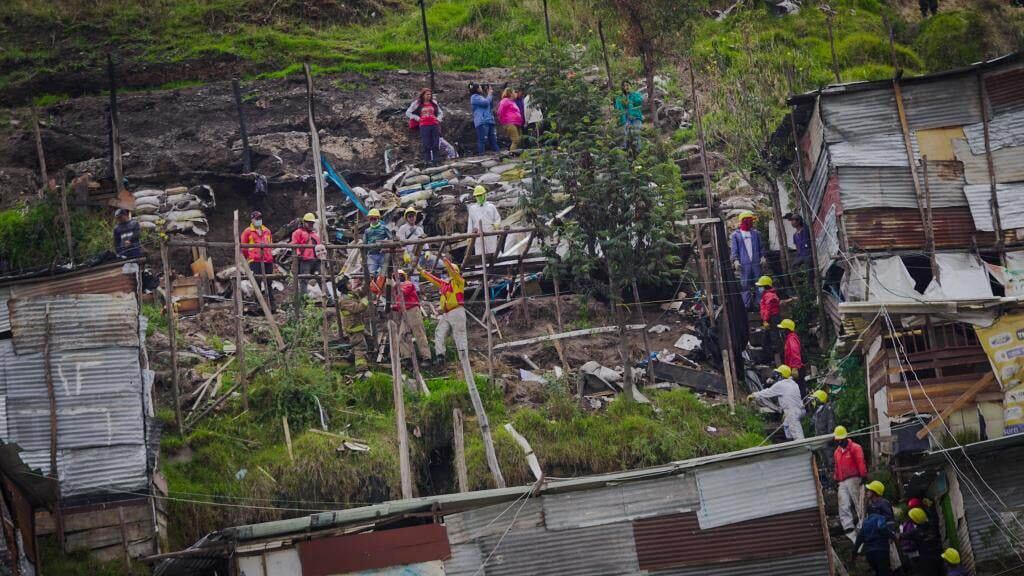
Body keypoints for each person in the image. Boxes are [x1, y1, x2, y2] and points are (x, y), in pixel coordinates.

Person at [418, 257, 466, 365]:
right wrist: (421, 270)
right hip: (447, 313)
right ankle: (440, 356)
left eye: (448, 272)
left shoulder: (459, 281)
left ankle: (463, 359)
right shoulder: (445, 284)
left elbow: (454, 273)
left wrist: (445, 261)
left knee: (459, 335)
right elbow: (433, 279)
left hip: (457, 311)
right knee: (439, 332)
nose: (447, 274)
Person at [747, 365, 805, 441]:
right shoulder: (793, 383)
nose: (776, 376)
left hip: (792, 411)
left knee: (797, 433)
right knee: (787, 426)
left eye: (778, 374)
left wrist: (754, 395)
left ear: (782, 375)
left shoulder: (781, 385)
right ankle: (790, 442)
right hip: (799, 409)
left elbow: (768, 392)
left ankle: (803, 446)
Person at [834, 425, 868, 543]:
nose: (840, 442)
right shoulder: (837, 452)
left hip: (854, 478)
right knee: (843, 504)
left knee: (859, 502)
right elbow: (837, 467)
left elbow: (860, 461)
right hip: (842, 481)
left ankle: (863, 525)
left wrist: (863, 475)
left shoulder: (855, 448)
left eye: (841, 439)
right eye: (838, 440)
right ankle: (848, 527)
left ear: (845, 437)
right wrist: (836, 478)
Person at [393, 270, 432, 366]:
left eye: (400, 275)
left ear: (404, 276)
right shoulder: (397, 289)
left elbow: (403, 292)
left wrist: (396, 286)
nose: (398, 278)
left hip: (412, 311)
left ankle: (427, 357)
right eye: (396, 276)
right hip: (405, 313)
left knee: (419, 334)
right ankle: (407, 357)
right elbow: (399, 304)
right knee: (402, 335)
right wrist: (392, 307)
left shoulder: (408, 283)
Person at [240, 210, 275, 311]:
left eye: (260, 218)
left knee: (269, 283)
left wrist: (270, 256)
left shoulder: (267, 231)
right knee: (257, 282)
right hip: (255, 260)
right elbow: (244, 248)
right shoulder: (247, 232)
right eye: (256, 219)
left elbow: (270, 245)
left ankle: (271, 305)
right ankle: (258, 305)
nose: (258, 220)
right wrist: (248, 258)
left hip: (267, 260)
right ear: (252, 220)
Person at [730, 211, 766, 310]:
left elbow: (761, 247)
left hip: (756, 263)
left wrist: (763, 257)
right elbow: (734, 249)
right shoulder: (736, 235)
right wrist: (735, 260)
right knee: (745, 285)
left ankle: (759, 304)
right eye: (750, 220)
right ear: (744, 221)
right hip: (744, 264)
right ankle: (746, 305)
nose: (752, 223)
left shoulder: (756, 234)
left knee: (760, 284)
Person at [853, 502, 896, 576]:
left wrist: (854, 552)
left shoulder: (865, 522)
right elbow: (882, 527)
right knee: (884, 572)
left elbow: (859, 538)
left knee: (878, 572)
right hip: (881, 550)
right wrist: (892, 536)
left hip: (869, 553)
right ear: (877, 510)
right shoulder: (879, 517)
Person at [406, 88, 445, 165]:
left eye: (430, 94)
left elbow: (440, 112)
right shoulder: (417, 103)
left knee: (435, 143)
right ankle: (427, 161)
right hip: (424, 126)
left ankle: (436, 160)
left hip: (434, 125)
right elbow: (408, 112)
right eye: (427, 94)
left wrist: (438, 119)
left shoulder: (434, 103)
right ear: (423, 95)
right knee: (426, 143)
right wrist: (417, 118)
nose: (429, 96)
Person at [336, 276, 369, 367]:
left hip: (357, 325)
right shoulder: (344, 300)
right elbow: (357, 308)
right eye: (348, 283)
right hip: (353, 327)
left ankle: (351, 358)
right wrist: (365, 300)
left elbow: (361, 291)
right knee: (360, 347)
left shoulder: (350, 294)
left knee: (364, 340)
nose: (351, 284)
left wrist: (368, 282)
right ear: (344, 287)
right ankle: (361, 369)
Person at [902, 505, 944, 575]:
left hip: (926, 560)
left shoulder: (915, 532)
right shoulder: (932, 525)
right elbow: (934, 517)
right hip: (939, 555)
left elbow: (901, 536)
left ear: (915, 521)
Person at [291, 213, 322, 299]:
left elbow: (319, 245)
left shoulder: (314, 234)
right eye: (309, 223)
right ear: (304, 222)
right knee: (304, 280)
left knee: (321, 279)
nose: (311, 224)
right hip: (305, 260)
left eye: (312, 223)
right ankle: (304, 300)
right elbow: (294, 244)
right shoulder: (298, 232)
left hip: (316, 260)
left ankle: (328, 299)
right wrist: (298, 254)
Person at [467, 186, 501, 257]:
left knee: (492, 252)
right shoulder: (472, 209)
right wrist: (469, 236)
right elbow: (470, 224)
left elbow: (497, 218)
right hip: (478, 235)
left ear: (484, 195)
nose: (479, 197)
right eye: (477, 196)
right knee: (480, 254)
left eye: (480, 195)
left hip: (490, 233)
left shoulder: (491, 206)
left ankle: (494, 263)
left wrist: (496, 225)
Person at [757, 275, 781, 364]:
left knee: (772, 339)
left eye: (760, 286)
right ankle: (768, 359)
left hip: (772, 319)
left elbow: (768, 309)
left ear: (765, 286)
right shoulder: (767, 295)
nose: (759, 288)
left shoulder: (769, 296)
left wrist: (765, 320)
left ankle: (774, 359)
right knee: (766, 340)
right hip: (770, 319)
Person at [470, 83, 499, 154]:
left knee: (493, 140)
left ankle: (499, 155)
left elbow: (490, 105)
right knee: (482, 140)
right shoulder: (474, 97)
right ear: (477, 89)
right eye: (480, 87)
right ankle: (481, 156)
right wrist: (489, 94)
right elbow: (485, 103)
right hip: (482, 121)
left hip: (489, 120)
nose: (481, 88)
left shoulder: (482, 97)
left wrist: (489, 94)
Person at [363, 208, 392, 278]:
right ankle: (373, 285)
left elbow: (391, 239)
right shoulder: (367, 231)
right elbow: (364, 244)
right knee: (372, 274)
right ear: (369, 219)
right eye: (371, 218)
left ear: (378, 218)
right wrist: (364, 256)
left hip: (382, 254)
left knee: (383, 274)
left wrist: (386, 246)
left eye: (374, 218)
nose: (373, 220)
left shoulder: (384, 228)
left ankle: (383, 284)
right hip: (371, 255)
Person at [614, 80, 643, 147]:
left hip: (636, 117)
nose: (626, 87)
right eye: (624, 86)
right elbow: (618, 108)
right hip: (626, 119)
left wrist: (631, 96)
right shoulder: (620, 97)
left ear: (630, 86)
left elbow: (639, 102)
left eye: (627, 85)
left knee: (636, 134)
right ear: (622, 88)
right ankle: (627, 150)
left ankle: (638, 151)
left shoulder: (636, 94)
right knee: (626, 136)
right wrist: (621, 119)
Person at [778, 318, 804, 394]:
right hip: (792, 368)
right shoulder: (789, 338)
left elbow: (795, 352)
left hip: (796, 369)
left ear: (787, 330)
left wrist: (795, 368)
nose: (781, 331)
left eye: (782, 329)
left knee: (799, 389)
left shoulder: (791, 339)